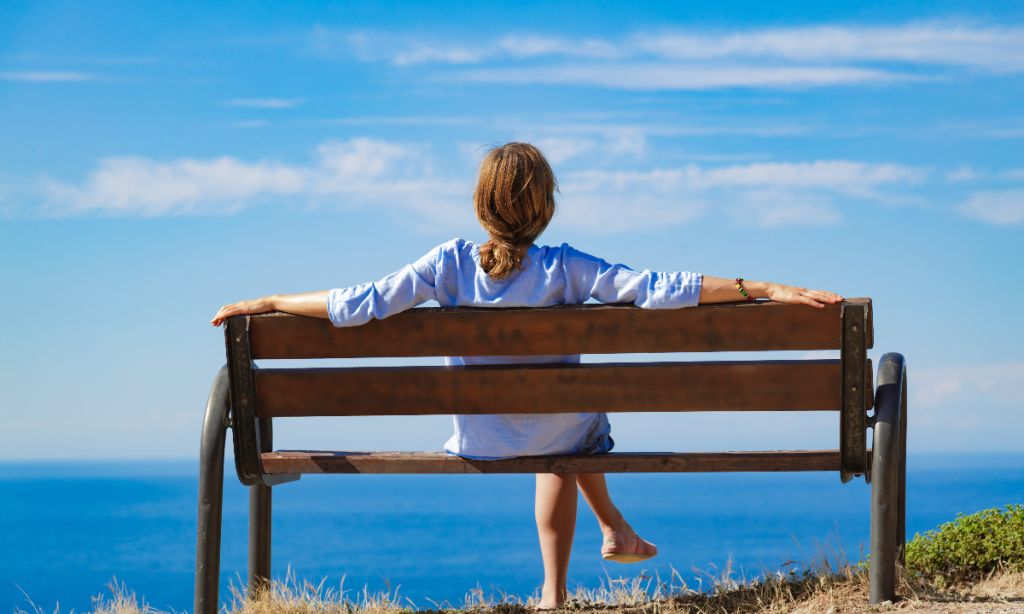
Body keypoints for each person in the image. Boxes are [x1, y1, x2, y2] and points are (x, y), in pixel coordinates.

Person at [211, 142, 843, 609]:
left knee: (555, 421)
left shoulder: (448, 264)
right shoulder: (567, 267)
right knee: (566, 424)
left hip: (482, 440)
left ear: (481, 203)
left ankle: (568, 579)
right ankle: (587, 557)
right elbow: (657, 288)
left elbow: (357, 303)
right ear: (546, 207)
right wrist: (758, 286)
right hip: (563, 431)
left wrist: (267, 303)